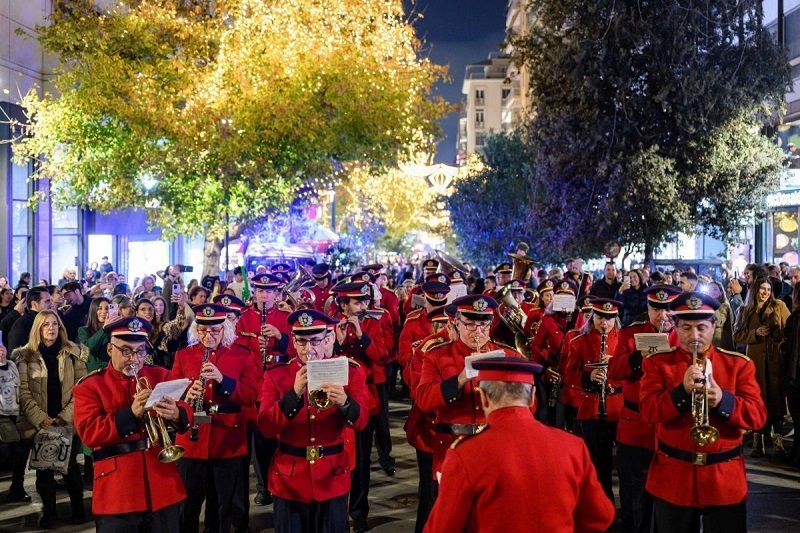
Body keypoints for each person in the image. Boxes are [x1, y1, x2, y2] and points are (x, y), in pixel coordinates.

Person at [424, 356, 615, 533]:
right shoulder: (573, 446)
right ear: (532, 396)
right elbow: (601, 516)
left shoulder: (465, 454)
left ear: (483, 397)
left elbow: (441, 528)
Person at [641, 292, 767, 533]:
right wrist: (681, 392)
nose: (694, 336)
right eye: (686, 328)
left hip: (724, 480)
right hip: (673, 478)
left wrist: (723, 401)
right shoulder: (658, 363)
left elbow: (758, 416)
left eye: (701, 327)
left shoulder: (738, 365)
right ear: (675, 327)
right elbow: (648, 411)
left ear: (714, 326)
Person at [73, 317, 190, 532]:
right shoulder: (90, 386)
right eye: (126, 351)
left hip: (162, 485)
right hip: (117, 491)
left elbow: (185, 410)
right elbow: (89, 433)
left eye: (140, 351)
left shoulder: (159, 375)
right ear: (110, 349)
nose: (134, 359)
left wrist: (176, 414)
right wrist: (131, 414)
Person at [257, 309, 370, 532]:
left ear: (328, 339)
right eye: (301, 342)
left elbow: (362, 422)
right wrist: (293, 394)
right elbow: (266, 428)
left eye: (315, 341)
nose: (309, 349)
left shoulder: (351, 371)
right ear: (294, 341)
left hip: (331, 476)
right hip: (289, 479)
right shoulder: (276, 374)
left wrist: (345, 403)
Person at [171, 303, 259, 533]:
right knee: (187, 504)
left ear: (226, 329)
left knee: (222, 506)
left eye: (215, 331)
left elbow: (250, 395)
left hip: (227, 440)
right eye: (202, 330)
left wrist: (223, 380)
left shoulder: (243, 355)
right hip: (192, 440)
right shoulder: (183, 355)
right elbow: (171, 393)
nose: (208, 336)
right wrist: (185, 395)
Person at [416, 295, 524, 477]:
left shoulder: (509, 356)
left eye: (484, 325)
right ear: (457, 324)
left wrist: (506, 391)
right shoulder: (437, 356)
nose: (478, 331)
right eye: (470, 325)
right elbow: (424, 400)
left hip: (496, 445)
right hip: (453, 446)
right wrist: (459, 380)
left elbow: (530, 405)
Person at [609, 285, 680, 533]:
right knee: (634, 497)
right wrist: (638, 357)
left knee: (668, 500)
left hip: (670, 428)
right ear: (647, 309)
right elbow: (615, 372)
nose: (662, 316)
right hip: (635, 426)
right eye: (656, 309)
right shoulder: (630, 334)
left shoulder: (684, 338)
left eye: (668, 310)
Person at [12, 310, 87, 528]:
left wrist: (64, 417)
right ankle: (49, 512)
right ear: (38, 328)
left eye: (55, 324)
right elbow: (23, 392)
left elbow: (81, 389)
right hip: (40, 421)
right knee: (43, 470)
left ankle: (78, 509)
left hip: (66, 420)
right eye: (46, 325)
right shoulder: (25, 356)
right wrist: (41, 418)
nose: (51, 328)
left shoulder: (74, 354)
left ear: (61, 327)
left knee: (70, 467)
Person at [733, 276, 791, 457]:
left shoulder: (779, 306)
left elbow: (789, 329)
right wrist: (755, 333)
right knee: (758, 400)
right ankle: (758, 439)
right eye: (762, 289)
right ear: (755, 290)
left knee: (777, 399)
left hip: (776, 360)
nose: (765, 292)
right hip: (756, 361)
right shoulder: (745, 309)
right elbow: (737, 335)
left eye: (768, 289)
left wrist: (779, 333)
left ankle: (778, 440)